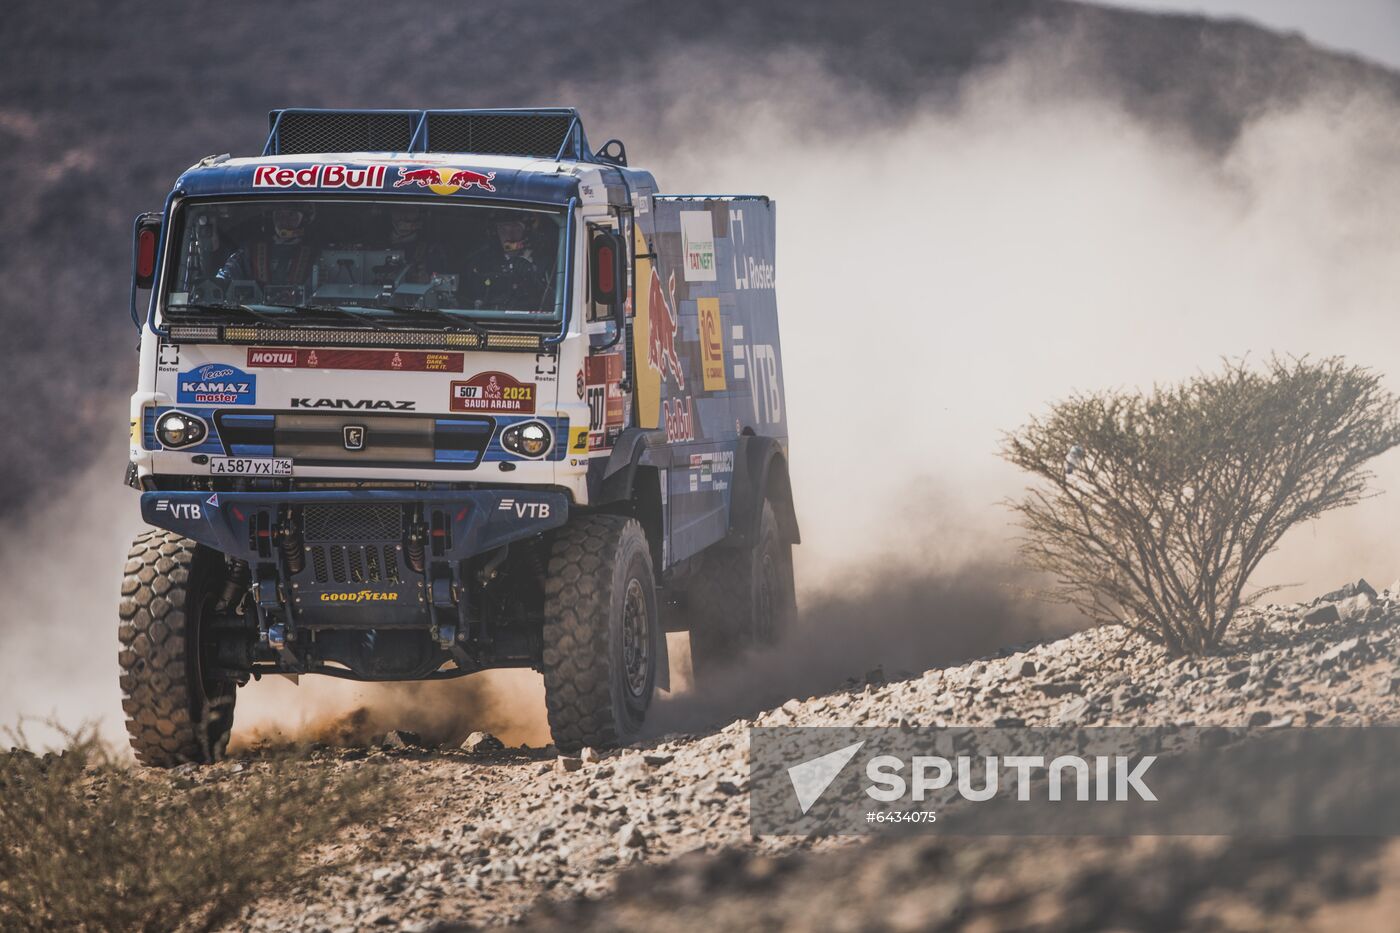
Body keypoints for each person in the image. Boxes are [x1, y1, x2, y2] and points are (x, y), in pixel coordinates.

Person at [216, 206, 315, 295]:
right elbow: (228, 273)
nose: (284, 220)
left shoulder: (315, 254)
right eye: (279, 215)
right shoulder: (251, 249)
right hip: (252, 312)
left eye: (291, 215)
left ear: (304, 219)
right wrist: (219, 283)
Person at [465, 214, 551, 312]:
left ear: (526, 232)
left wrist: (532, 275)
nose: (510, 236)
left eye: (516, 229)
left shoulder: (543, 262)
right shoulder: (480, 264)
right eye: (503, 230)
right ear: (495, 233)